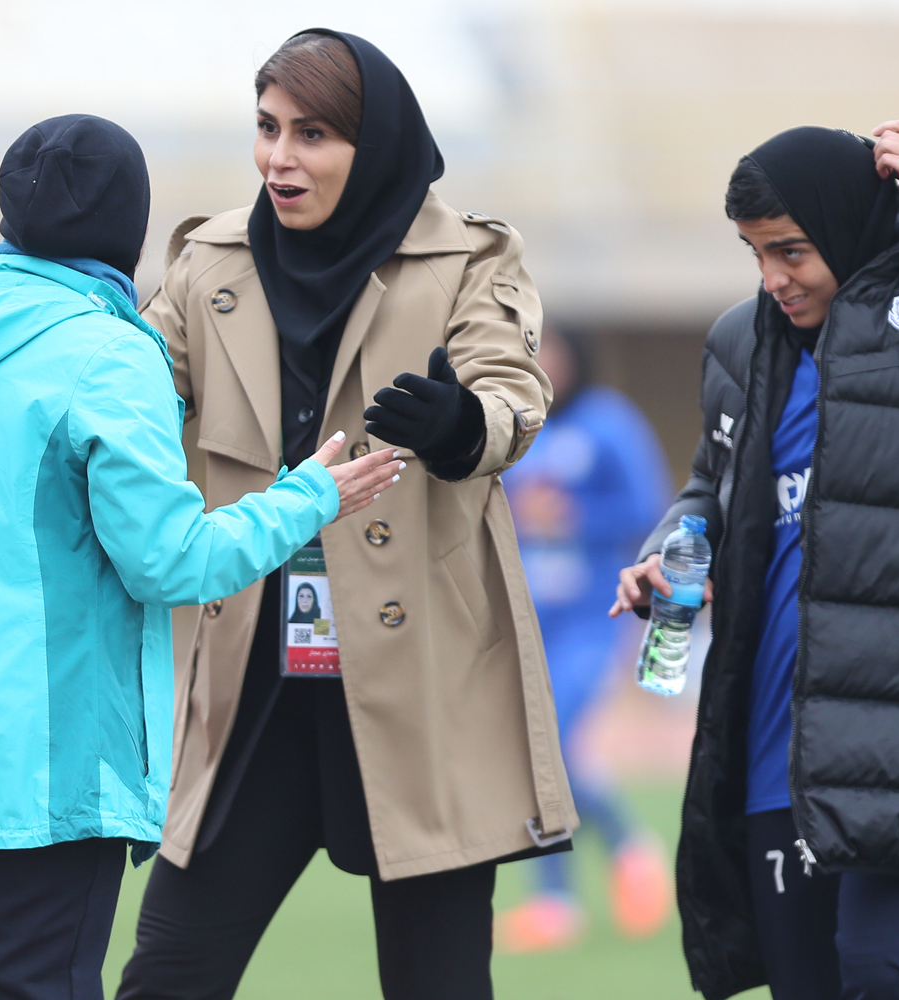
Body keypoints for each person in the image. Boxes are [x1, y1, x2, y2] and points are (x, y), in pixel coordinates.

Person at [0, 113, 402, 1000]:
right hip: (37, 766)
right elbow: (171, 561)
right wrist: (309, 497)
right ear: (129, 230)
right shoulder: (109, 353)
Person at [117, 29, 573, 1000]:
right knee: (167, 976)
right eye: (267, 128)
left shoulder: (469, 257)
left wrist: (462, 425)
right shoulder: (209, 260)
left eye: (312, 134)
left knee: (440, 985)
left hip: (422, 684)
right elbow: (124, 398)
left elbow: (513, 397)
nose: (279, 157)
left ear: (376, 146)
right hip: (251, 684)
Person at [611, 122, 899, 999]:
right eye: (755, 254)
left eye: (790, 251)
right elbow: (716, 484)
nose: (772, 278)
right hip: (778, 746)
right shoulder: (742, 343)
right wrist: (672, 545)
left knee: (892, 973)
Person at [496, 326, 674, 952]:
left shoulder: (609, 423)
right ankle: (605, 864)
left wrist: (576, 516)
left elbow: (648, 508)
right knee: (536, 755)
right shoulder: (516, 427)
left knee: (553, 745)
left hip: (591, 619)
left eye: (553, 350)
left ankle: (577, 885)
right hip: (528, 619)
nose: (543, 362)